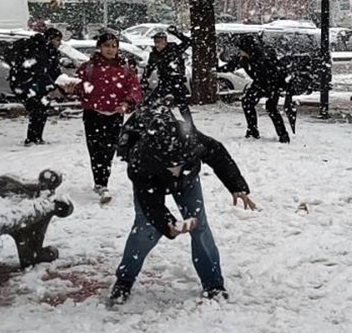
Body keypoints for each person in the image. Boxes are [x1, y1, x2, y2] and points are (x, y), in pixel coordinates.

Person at [107, 103, 258, 306]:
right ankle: (124, 280)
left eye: (180, 162)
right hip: (152, 182)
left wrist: (236, 186)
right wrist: (167, 224)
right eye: (172, 165)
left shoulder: (192, 138)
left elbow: (218, 154)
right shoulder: (140, 160)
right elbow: (150, 203)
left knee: (200, 226)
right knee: (145, 227)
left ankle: (213, 284)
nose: (176, 168)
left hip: (188, 181)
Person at [73, 31, 143, 202]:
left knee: (108, 149)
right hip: (92, 114)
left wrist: (127, 103)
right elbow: (79, 87)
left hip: (114, 115)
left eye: (114, 46)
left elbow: (134, 89)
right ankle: (99, 182)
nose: (111, 49)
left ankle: (103, 181)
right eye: (107, 46)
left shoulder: (125, 69)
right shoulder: (88, 68)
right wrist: (71, 88)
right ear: (99, 47)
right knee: (95, 149)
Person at [221, 34, 293, 143]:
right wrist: (217, 70)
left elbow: (271, 75)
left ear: (247, 49)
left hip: (273, 84)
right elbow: (232, 65)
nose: (239, 52)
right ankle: (252, 131)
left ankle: (283, 135)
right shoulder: (244, 58)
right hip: (260, 84)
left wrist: (268, 90)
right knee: (247, 102)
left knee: (271, 107)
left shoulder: (262, 58)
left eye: (241, 49)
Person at [8, 26, 65, 145]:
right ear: (50, 39)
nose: (60, 43)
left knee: (42, 109)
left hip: (37, 85)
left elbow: (54, 71)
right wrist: (52, 87)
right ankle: (31, 139)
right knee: (37, 110)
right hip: (25, 84)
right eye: (58, 40)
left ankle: (37, 137)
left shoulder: (52, 52)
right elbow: (39, 71)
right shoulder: (39, 50)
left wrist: (62, 83)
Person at [142, 26, 193, 121]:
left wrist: (177, 34)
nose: (157, 44)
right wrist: (144, 80)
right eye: (155, 42)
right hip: (164, 83)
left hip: (177, 82)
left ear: (165, 41)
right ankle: (154, 122)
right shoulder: (154, 54)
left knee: (183, 107)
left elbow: (188, 42)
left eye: (159, 42)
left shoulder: (174, 49)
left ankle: (189, 126)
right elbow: (149, 68)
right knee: (149, 103)